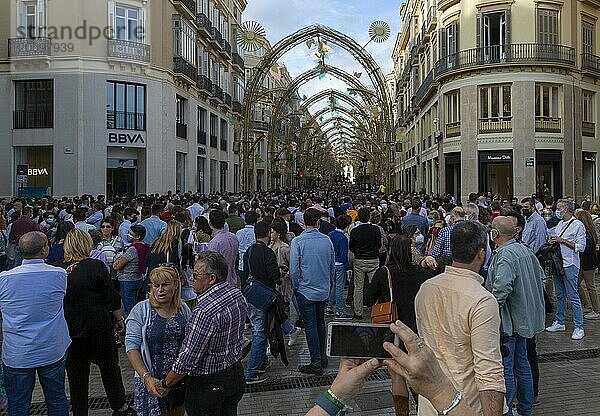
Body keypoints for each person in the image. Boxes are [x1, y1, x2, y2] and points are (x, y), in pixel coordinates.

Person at [415, 221, 506, 415]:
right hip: (466, 405)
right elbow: (488, 371)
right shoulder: (481, 300)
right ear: (481, 253)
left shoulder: (427, 288)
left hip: (430, 403)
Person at [305, 320, 477, 416]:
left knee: (396, 376)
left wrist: (337, 396)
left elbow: (370, 295)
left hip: (392, 338)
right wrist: (440, 391)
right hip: (404, 338)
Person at [157, 251, 247, 416]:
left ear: (211, 278)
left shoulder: (204, 311)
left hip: (209, 385)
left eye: (196, 275)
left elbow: (188, 357)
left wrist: (166, 383)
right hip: (235, 376)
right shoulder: (236, 294)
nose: (191, 278)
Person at [60, 229, 134, 416]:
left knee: (77, 375)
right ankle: (119, 406)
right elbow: (110, 296)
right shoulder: (95, 266)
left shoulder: (60, 270)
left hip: (71, 329)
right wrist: (119, 319)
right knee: (110, 368)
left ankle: (80, 411)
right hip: (98, 326)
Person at [0, 231, 71, 416]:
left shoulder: (4, 279)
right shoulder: (58, 274)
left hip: (18, 353)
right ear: (44, 250)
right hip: (51, 350)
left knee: (17, 405)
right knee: (56, 400)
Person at [365, 234, 434, 415]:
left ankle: (402, 413)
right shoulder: (421, 273)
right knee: (417, 373)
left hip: (393, 330)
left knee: (396, 374)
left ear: (391, 251)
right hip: (417, 330)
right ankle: (423, 409)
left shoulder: (385, 272)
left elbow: (368, 299)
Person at [486, 216, 545, 416]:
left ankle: (508, 411)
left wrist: (490, 311)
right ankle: (525, 410)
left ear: (496, 233)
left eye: (492, 229)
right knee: (523, 364)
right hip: (523, 320)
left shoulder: (505, 255)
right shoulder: (524, 250)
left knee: (508, 368)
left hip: (508, 322)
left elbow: (502, 288)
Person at [125, 266, 192, 416]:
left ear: (176, 285)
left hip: (178, 380)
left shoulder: (183, 309)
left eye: (165, 285)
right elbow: (131, 347)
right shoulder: (141, 310)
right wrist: (146, 377)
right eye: (156, 285)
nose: (160, 290)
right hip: (152, 382)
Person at [290, 208, 335, 375]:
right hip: (323, 289)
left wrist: (296, 286)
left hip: (305, 290)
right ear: (318, 222)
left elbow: (294, 269)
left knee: (311, 326)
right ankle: (321, 357)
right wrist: (329, 283)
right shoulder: (326, 240)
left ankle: (316, 362)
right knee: (320, 324)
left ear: (304, 222)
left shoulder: (298, 241)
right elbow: (331, 265)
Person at [242, 221, 286, 384]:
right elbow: (275, 277)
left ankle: (261, 363)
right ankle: (251, 372)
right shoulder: (267, 253)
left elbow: (245, 274)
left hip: (251, 296)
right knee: (260, 332)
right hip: (264, 297)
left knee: (260, 329)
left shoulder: (249, 251)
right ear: (268, 234)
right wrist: (281, 273)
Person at [546, 199, 587, 339]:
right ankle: (560, 321)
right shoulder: (559, 224)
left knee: (573, 296)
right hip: (558, 263)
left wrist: (562, 240)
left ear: (566, 210)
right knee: (560, 295)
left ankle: (579, 326)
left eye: (559, 208)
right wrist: (552, 240)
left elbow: (581, 246)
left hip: (570, 263)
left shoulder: (577, 225)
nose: (557, 210)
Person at [348, 207, 382, 319]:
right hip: (373, 259)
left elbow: (351, 246)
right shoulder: (376, 230)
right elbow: (379, 245)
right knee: (375, 286)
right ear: (369, 217)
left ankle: (358, 312)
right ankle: (376, 311)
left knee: (359, 287)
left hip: (360, 260)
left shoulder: (355, 231)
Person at [113, 224, 149, 313]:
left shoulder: (132, 249)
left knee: (130, 308)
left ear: (137, 237)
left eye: (130, 233)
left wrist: (117, 261)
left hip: (127, 280)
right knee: (136, 304)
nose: (128, 235)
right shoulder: (145, 246)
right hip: (138, 278)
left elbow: (117, 266)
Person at [574, 209, 600, 320]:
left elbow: (587, 249)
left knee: (591, 287)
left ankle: (596, 310)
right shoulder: (589, 231)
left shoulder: (587, 233)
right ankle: (586, 305)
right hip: (584, 263)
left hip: (588, 264)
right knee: (576, 284)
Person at [326, 215, 352, 320]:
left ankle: (329, 307)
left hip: (330, 264)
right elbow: (343, 255)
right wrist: (347, 268)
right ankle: (340, 311)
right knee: (339, 288)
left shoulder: (330, 234)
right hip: (340, 264)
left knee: (334, 286)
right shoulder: (343, 238)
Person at [208, 209, 240, 288]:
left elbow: (212, 266)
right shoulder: (233, 237)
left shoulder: (214, 242)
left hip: (220, 284)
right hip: (233, 279)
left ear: (210, 223)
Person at [236, 210, 257, 288]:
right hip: (253, 264)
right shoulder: (256, 232)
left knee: (243, 286)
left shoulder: (239, 233)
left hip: (241, 263)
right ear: (255, 221)